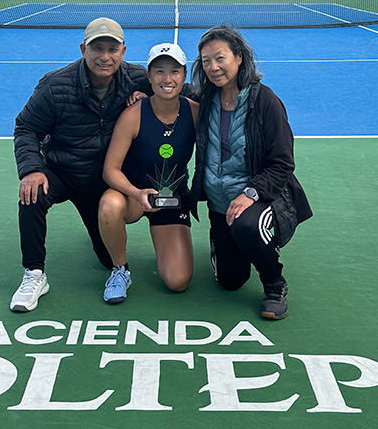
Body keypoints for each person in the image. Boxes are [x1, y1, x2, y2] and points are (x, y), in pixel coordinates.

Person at [11, 17, 157, 312]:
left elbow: (177, 91)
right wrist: (31, 169)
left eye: (112, 49)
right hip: (62, 171)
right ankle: (34, 274)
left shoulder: (137, 78)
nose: (105, 57)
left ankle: (101, 235)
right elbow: (26, 127)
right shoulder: (55, 85)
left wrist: (151, 100)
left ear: (123, 52)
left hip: (105, 181)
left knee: (106, 259)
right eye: (97, 48)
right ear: (83, 49)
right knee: (32, 194)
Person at [188, 25, 312, 320]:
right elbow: (162, 82)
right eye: (206, 61)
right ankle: (225, 241)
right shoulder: (205, 98)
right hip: (219, 205)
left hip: (260, 199)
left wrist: (251, 193)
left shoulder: (265, 101)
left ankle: (274, 283)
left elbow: (282, 161)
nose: (213, 67)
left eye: (220, 58)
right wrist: (137, 92)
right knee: (230, 282)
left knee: (246, 227)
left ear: (239, 57)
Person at [98, 43, 200, 304]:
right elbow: (110, 169)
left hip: (171, 200)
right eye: (160, 72)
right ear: (149, 77)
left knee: (178, 282)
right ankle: (120, 270)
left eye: (175, 72)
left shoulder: (195, 112)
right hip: (132, 197)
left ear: (184, 75)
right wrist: (136, 192)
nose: (167, 79)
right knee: (109, 204)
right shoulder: (133, 115)